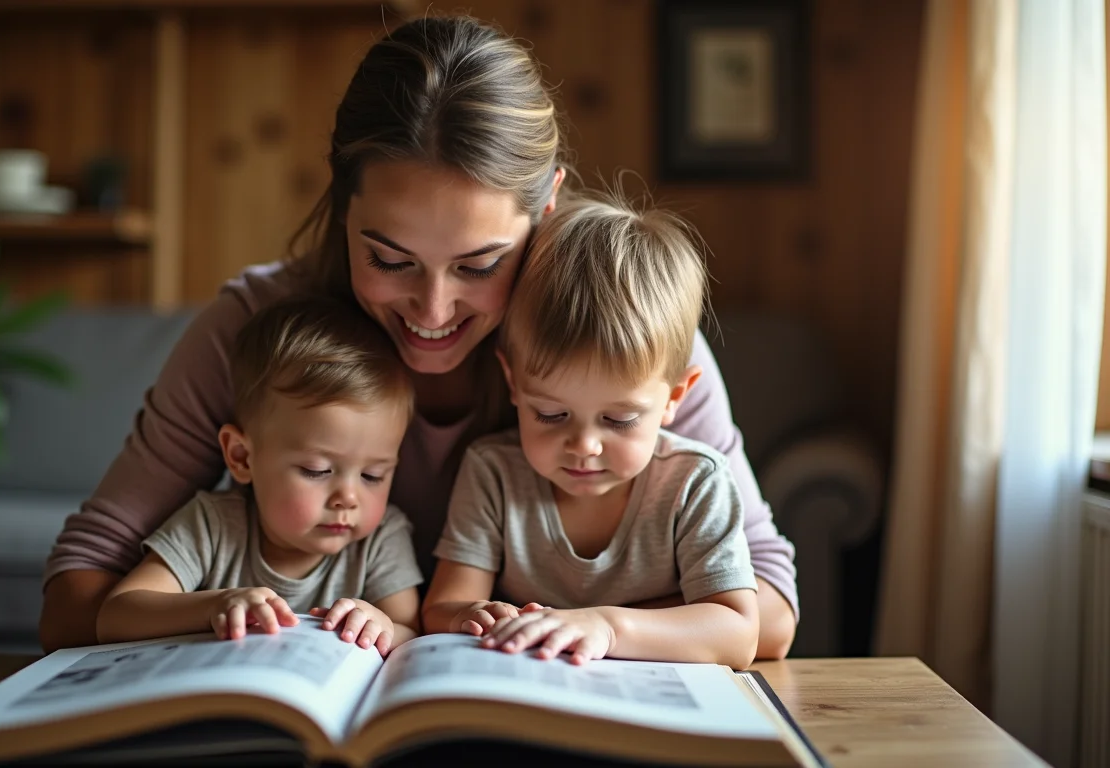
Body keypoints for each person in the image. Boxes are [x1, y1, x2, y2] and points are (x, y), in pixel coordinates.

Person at [40, 14, 798, 657]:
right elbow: (75, 597)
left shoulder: (622, 339)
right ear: (343, 206)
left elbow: (768, 609)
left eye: (480, 265)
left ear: (547, 206)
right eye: (390, 260)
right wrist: (263, 625)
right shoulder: (254, 327)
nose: (432, 311)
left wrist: (595, 626)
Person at [422, 195, 758, 669]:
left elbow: (739, 633)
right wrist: (470, 615)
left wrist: (607, 626)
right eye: (550, 414)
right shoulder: (494, 473)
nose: (584, 446)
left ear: (675, 397)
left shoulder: (695, 483)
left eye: (619, 420)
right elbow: (442, 607)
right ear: (513, 382)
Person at [96, 296, 423, 657]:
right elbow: (115, 616)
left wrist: (381, 624)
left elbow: (410, 630)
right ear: (241, 456)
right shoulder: (214, 525)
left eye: (373, 475)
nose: (348, 497)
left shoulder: (380, 539)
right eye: (317, 470)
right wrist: (214, 605)